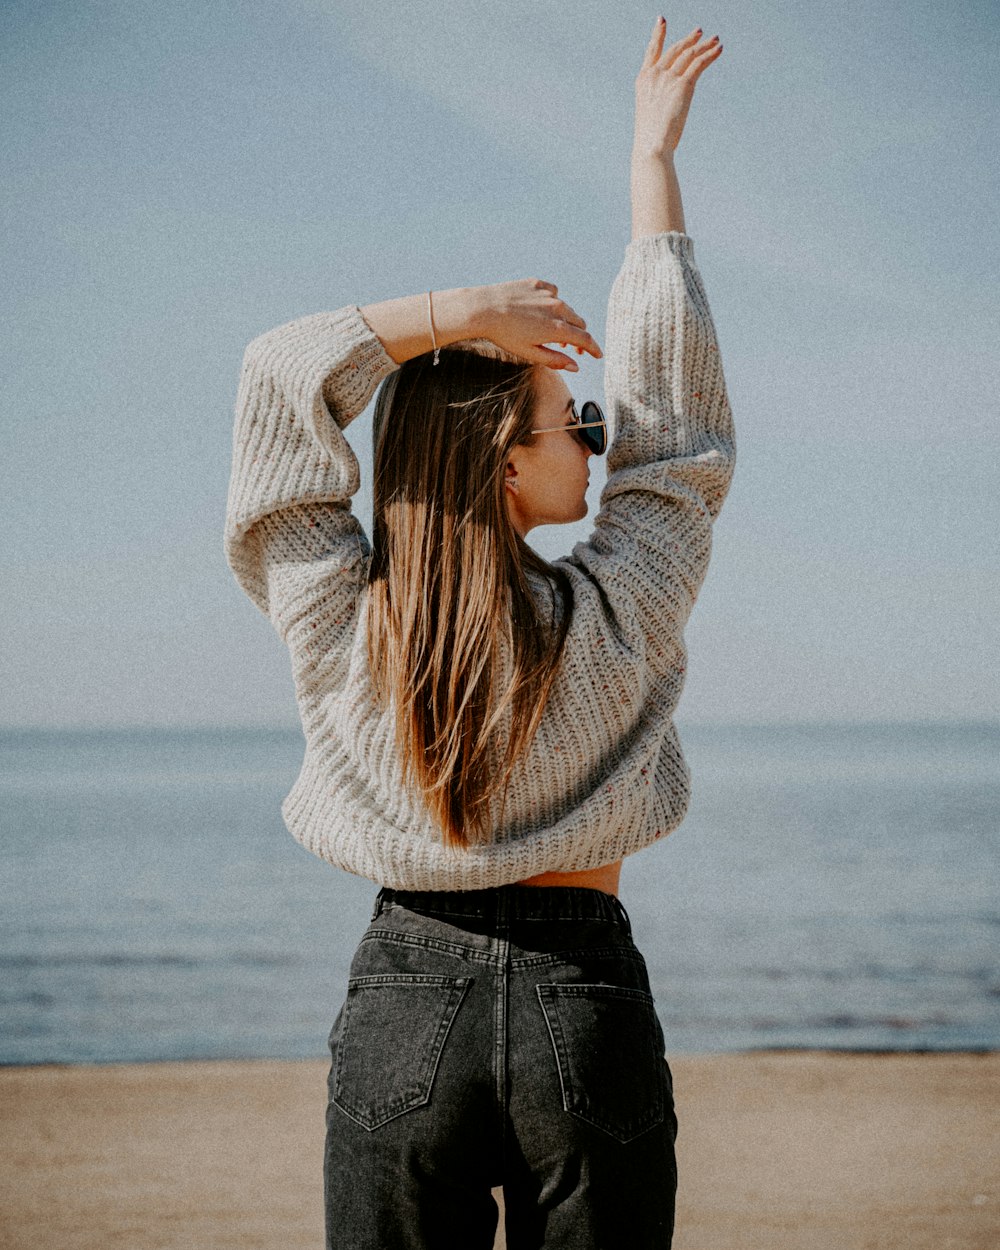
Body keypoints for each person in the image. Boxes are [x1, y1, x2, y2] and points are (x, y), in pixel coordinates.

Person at [225, 16, 731, 1249]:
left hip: (405, 990)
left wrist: (452, 313)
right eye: (575, 424)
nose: (601, 442)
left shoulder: (338, 619)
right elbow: (680, 442)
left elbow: (277, 381)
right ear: (506, 466)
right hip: (583, 992)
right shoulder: (619, 609)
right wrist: (650, 171)